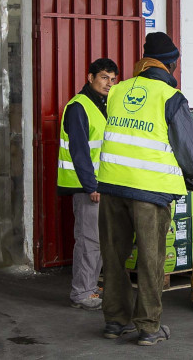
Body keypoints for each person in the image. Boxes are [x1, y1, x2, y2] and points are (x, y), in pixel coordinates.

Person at [97, 32, 193, 346]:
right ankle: (148, 327)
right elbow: (188, 149)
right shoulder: (169, 96)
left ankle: (114, 321)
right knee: (151, 260)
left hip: (111, 185)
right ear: (171, 64)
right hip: (149, 191)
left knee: (113, 256)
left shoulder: (118, 90)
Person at [59, 58, 121, 310]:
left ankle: (90, 287)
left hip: (102, 185)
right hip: (87, 186)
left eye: (113, 79)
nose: (109, 83)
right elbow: (79, 150)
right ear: (90, 77)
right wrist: (91, 185)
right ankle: (82, 293)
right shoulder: (79, 107)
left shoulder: (103, 105)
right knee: (89, 240)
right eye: (105, 77)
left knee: (98, 240)